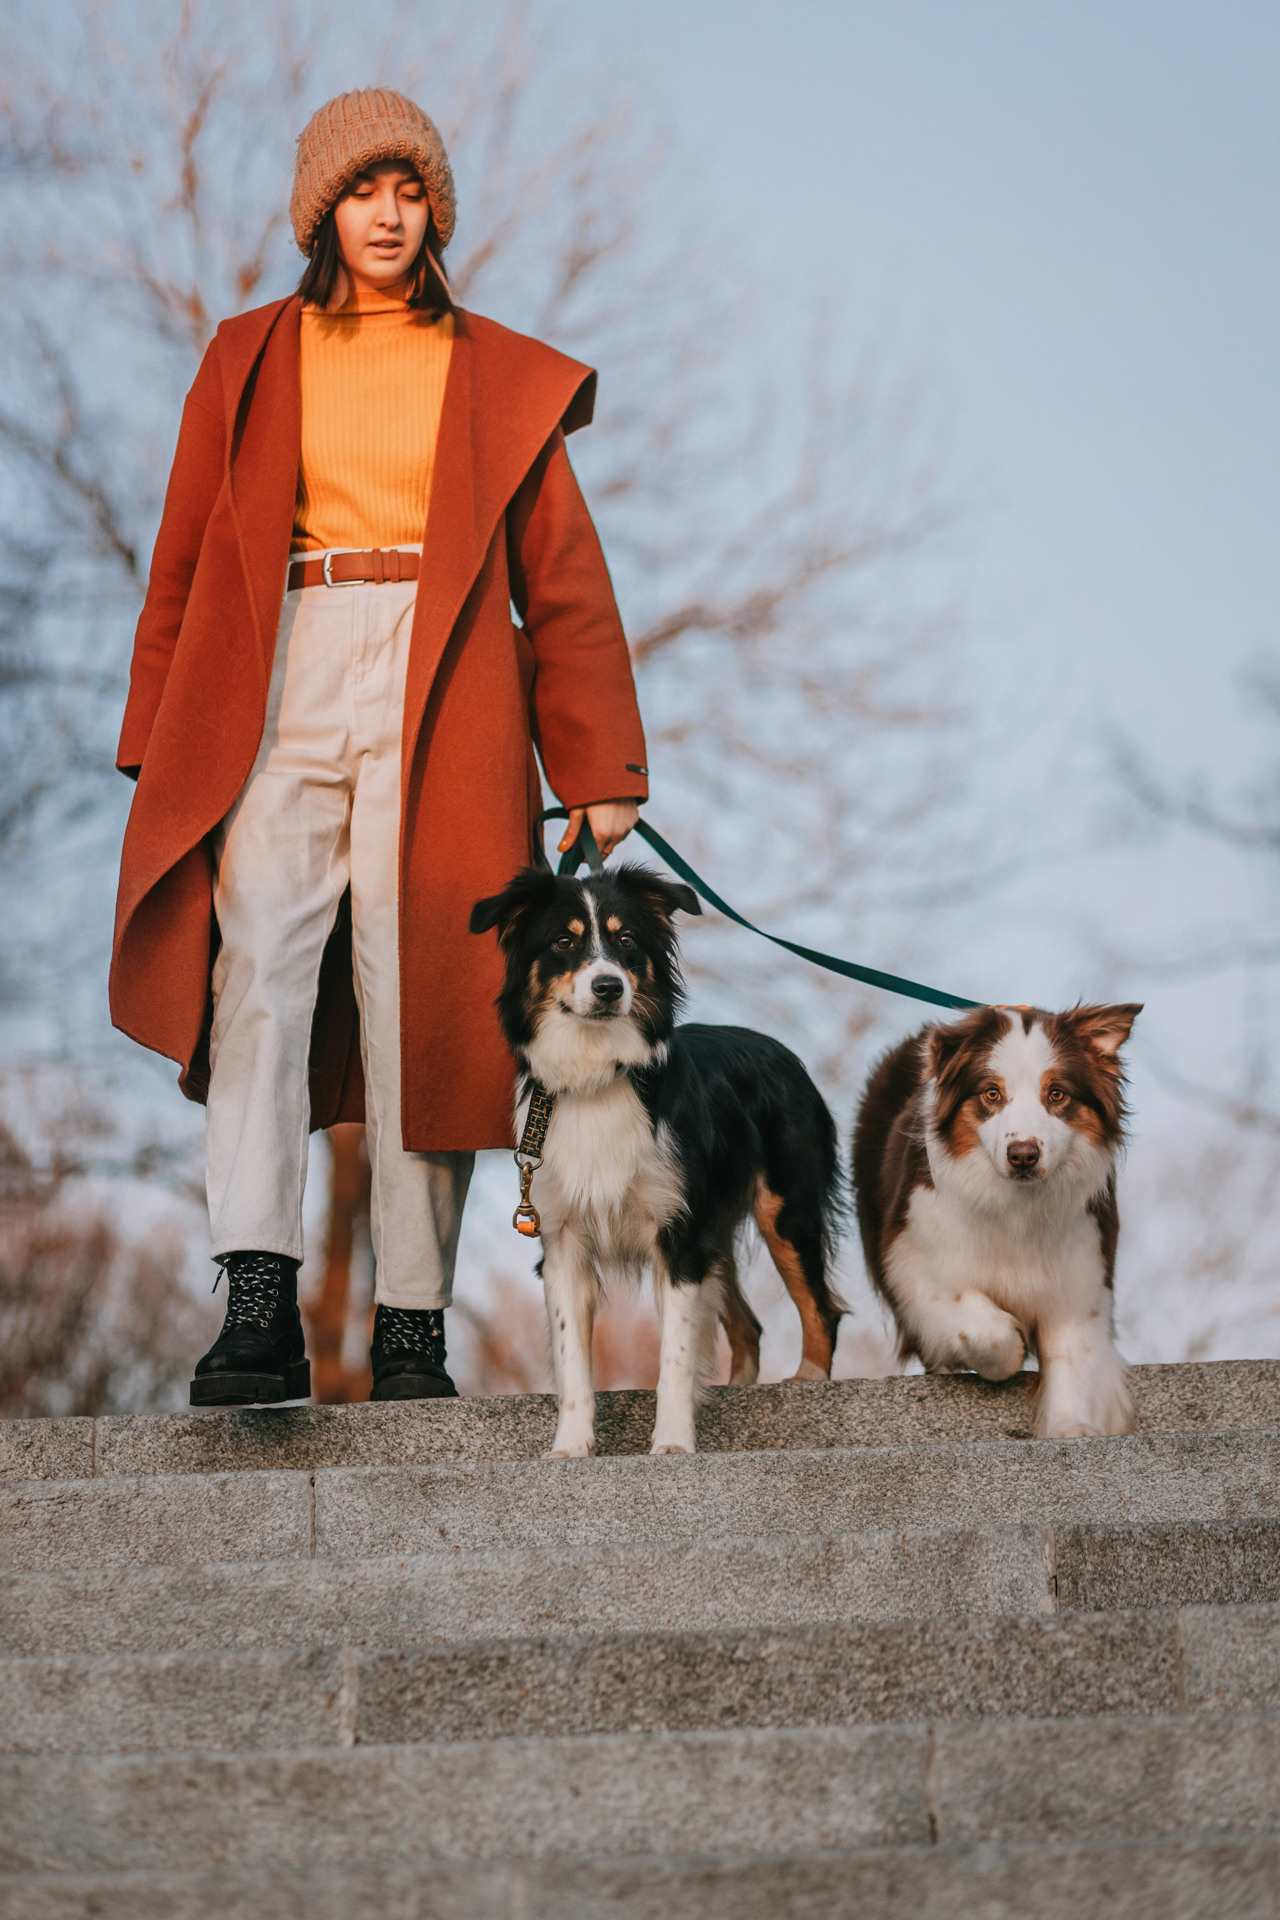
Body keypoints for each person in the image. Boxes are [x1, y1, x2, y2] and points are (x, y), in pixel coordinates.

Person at [110, 88, 649, 1408]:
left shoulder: (493, 369)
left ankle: (412, 1325)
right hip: (280, 665)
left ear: (434, 213)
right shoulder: (246, 355)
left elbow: (563, 580)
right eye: (364, 192)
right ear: (323, 211)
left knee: (433, 992)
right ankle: (254, 1301)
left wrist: (600, 770)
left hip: (447, 673)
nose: (390, 215)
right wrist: (154, 740)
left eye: (412, 193)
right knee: (259, 972)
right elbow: (182, 557)